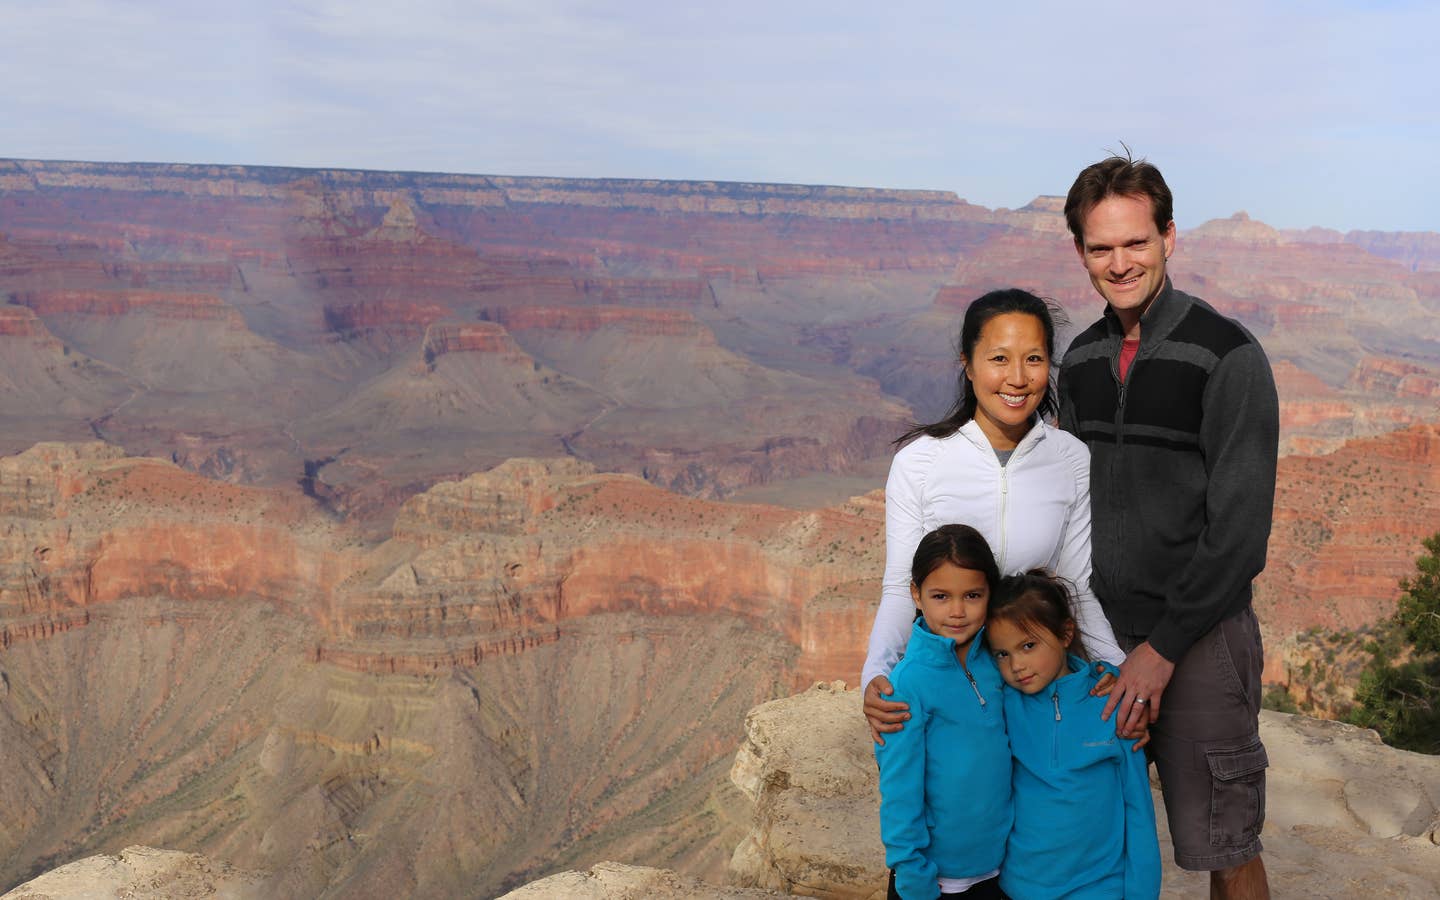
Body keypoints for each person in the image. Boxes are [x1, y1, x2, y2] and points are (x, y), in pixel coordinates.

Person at [1057, 153, 1278, 899]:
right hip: (1096, 646)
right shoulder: (1080, 359)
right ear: (1082, 253)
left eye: (1135, 242)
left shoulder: (1227, 356)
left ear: (1169, 238)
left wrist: (1162, 649)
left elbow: (1240, 534)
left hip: (1201, 642)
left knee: (1226, 845)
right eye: (1101, 247)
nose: (1120, 263)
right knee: (1093, 844)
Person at [863, 288, 1124, 743]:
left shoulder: (1070, 460)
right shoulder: (920, 463)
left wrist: (1114, 667)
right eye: (999, 359)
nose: (1018, 378)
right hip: (949, 686)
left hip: (1035, 682)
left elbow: (1075, 585)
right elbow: (900, 586)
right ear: (968, 363)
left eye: (1035, 359)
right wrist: (876, 672)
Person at [987, 569, 1161, 900]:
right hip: (1020, 888)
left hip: (1099, 888)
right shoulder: (1004, 704)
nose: (1017, 665)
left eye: (1028, 645)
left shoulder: (1111, 703)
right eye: (1002, 654)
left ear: (1066, 633)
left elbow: (1137, 807)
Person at [875, 524, 1010, 900]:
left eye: (972, 595)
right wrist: (914, 879)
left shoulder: (999, 664)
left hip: (1000, 871)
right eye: (940, 596)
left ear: (989, 594)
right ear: (916, 595)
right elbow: (900, 791)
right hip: (935, 881)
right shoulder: (908, 684)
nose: (956, 611)